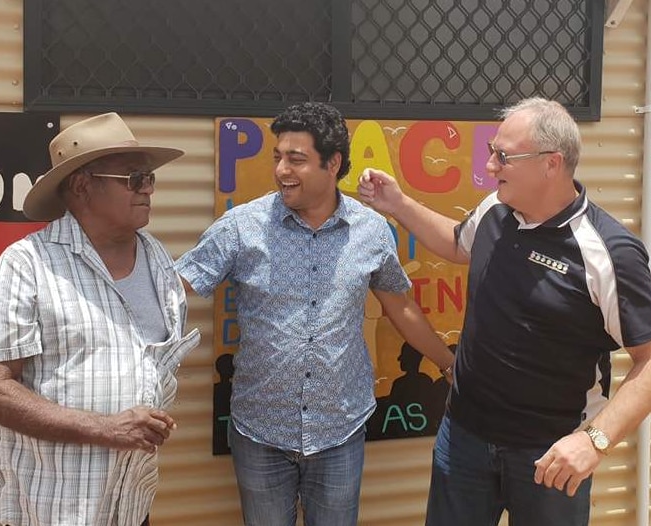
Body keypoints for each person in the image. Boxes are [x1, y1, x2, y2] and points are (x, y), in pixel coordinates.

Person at [358, 97, 651, 526]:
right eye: (492, 151)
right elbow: (457, 243)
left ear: (551, 163)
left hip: (549, 455)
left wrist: (594, 441)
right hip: (463, 440)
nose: (490, 166)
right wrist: (397, 204)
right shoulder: (496, 210)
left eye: (503, 156)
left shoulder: (608, 252)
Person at [176, 101, 455, 526]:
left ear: (333, 163)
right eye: (277, 157)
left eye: (296, 159)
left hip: (338, 429)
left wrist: (449, 363)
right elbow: (176, 287)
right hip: (260, 431)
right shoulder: (241, 227)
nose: (282, 170)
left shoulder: (371, 230)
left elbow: (399, 306)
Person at [0, 112, 200, 526]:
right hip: (49, 508)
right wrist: (106, 428)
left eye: (149, 179)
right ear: (82, 185)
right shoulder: (27, 265)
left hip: (129, 506)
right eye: (133, 178)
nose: (148, 189)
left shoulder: (157, 259)